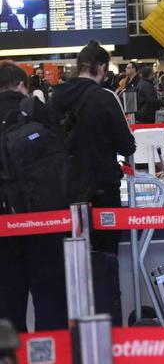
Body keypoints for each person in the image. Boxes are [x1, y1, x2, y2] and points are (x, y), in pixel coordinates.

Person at [49, 40, 136, 326]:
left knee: (73, 266)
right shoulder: (105, 97)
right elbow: (128, 144)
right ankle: (107, 327)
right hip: (103, 192)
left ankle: (75, 331)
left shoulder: (54, 97)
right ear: (100, 68)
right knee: (105, 263)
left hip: (64, 195)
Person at [0, 62, 68, 333]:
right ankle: (53, 354)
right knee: (49, 295)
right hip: (45, 219)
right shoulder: (37, 111)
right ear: (21, 86)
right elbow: (63, 153)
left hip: (5, 223)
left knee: (7, 298)